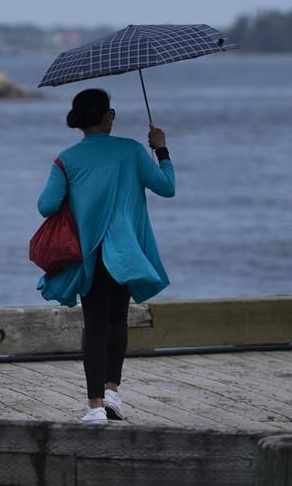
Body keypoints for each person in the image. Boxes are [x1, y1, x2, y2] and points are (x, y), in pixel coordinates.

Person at [37, 88, 175, 423]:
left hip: (90, 253)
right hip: (126, 252)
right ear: (107, 116)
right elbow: (167, 187)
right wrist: (161, 149)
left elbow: (46, 206)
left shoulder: (66, 159)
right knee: (117, 320)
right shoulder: (131, 150)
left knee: (95, 326)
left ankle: (95, 406)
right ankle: (113, 392)